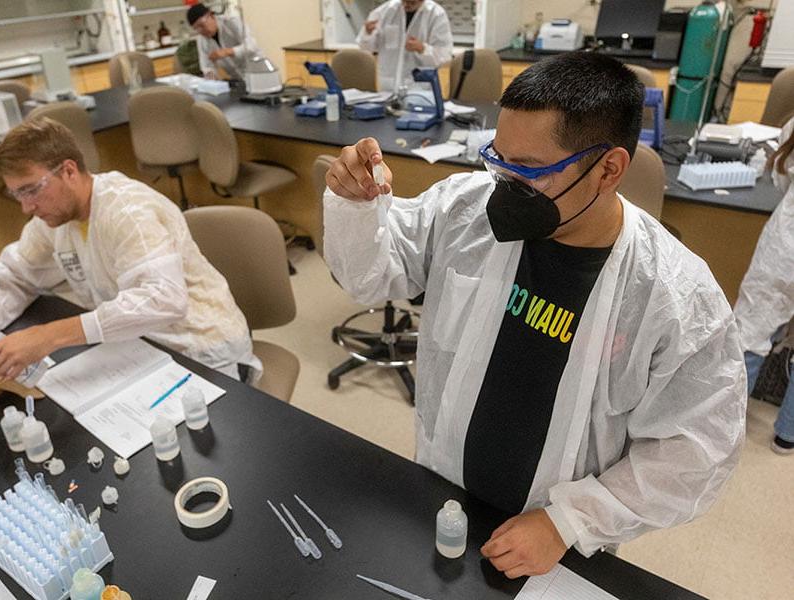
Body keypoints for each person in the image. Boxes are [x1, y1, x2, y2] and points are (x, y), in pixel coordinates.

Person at [323, 52, 746, 578]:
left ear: (608, 168)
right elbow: (372, 274)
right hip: (443, 487)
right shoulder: (466, 210)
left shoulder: (675, 298)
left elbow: (693, 453)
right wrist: (355, 205)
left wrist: (567, 522)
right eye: (498, 158)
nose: (502, 182)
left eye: (526, 169)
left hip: (557, 541)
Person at [0, 117, 261, 383]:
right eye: (17, 194)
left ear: (69, 171)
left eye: (31, 190)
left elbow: (164, 299)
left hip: (202, 348)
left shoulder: (127, 211)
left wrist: (48, 336)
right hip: (139, 345)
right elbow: (17, 274)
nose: (26, 207)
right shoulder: (54, 219)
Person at [734, 115, 794, 454]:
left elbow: (782, 178)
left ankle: (726, 426)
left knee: (751, 332)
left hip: (786, 246)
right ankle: (787, 434)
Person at [357, 0, 453, 92]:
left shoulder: (436, 14)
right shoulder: (386, 10)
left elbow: (444, 56)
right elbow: (366, 47)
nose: (407, 5)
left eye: (412, 2)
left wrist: (423, 49)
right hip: (388, 86)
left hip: (419, 89)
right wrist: (367, 34)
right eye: (404, 1)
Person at [186, 3, 259, 81]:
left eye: (201, 25)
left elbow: (252, 46)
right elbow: (206, 66)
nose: (201, 31)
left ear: (211, 16)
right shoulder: (201, 39)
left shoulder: (231, 22)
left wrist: (229, 51)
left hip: (258, 73)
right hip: (238, 80)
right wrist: (211, 78)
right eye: (196, 28)